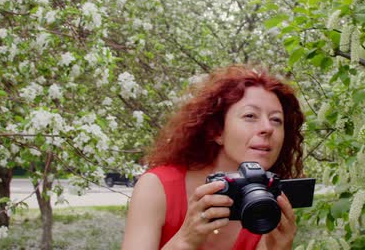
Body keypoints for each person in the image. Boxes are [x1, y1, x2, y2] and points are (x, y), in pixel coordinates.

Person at [122, 65, 305, 249]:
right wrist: (185, 241)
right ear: (217, 131)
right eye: (250, 116)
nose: (268, 128)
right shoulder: (156, 187)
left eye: (276, 120)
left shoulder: (266, 202)